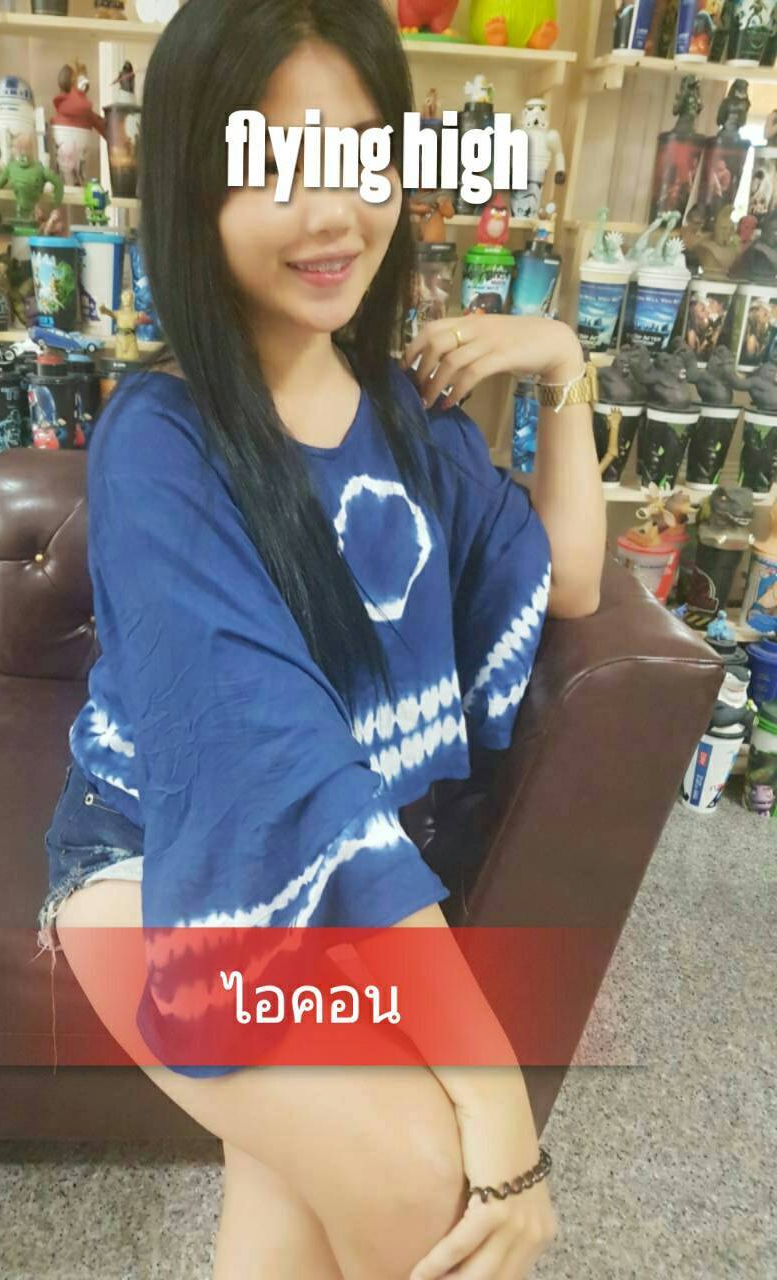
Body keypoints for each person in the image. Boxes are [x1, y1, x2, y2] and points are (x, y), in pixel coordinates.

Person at [32, 1, 606, 1276]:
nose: (332, 211)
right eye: (273, 164)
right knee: (428, 1177)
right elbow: (279, 770)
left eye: (359, 154)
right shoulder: (160, 442)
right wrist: (498, 1098)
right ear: (193, 184)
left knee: (288, 1224)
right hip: (161, 869)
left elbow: (565, 578)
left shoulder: (407, 414)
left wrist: (564, 364)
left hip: (346, 880)